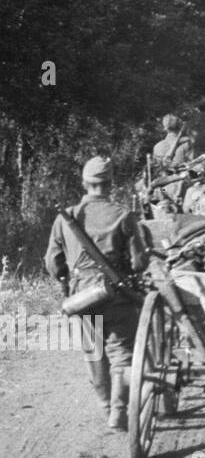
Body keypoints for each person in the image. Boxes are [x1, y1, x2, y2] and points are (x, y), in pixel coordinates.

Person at [44, 157, 148, 430]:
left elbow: (53, 263)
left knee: (94, 354)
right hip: (118, 295)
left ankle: (105, 406)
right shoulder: (124, 214)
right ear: (111, 184)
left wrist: (66, 281)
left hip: (83, 297)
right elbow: (139, 263)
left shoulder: (66, 217)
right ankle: (118, 411)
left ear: (84, 183)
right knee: (122, 354)